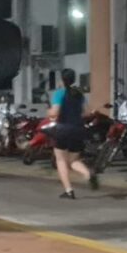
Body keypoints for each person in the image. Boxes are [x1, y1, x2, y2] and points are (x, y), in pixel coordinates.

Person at [50, 69, 98, 199]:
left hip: (63, 129)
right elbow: (87, 112)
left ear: (62, 79)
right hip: (78, 129)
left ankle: (69, 190)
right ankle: (88, 174)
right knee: (73, 160)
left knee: (61, 160)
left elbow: (55, 112)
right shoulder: (79, 94)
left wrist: (49, 112)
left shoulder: (59, 93)